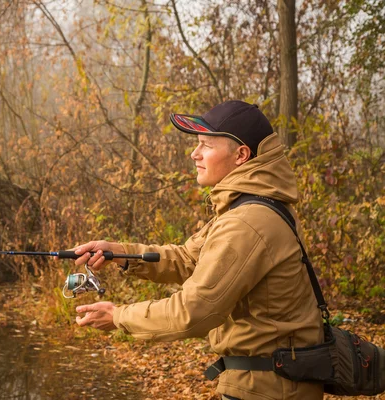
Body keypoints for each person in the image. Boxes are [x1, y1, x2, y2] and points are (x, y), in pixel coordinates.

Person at [71, 100, 323, 400]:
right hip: (268, 383)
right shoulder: (249, 208)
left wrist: (119, 316)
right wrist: (118, 253)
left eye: (205, 145)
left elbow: (195, 311)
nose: (194, 154)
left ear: (241, 155)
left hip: (270, 389)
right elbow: (188, 258)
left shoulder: (249, 222)